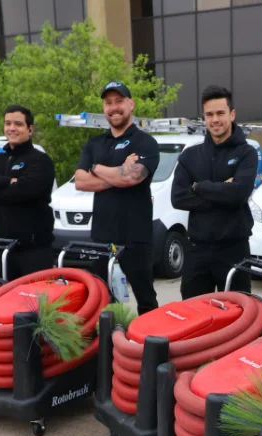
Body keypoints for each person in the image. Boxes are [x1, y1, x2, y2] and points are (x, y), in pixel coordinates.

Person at [74, 81, 162, 314]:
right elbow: (80, 181)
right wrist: (117, 172)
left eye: (119, 101)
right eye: (108, 102)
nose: (114, 107)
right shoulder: (95, 143)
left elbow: (131, 178)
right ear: (103, 108)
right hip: (102, 236)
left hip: (136, 237)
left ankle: (149, 347)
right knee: (102, 300)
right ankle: (110, 347)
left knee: (146, 299)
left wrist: (96, 168)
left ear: (130, 104)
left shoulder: (145, 142)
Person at [170, 85, 258, 298]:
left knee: (238, 319)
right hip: (197, 250)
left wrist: (200, 187)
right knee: (194, 319)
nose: (215, 119)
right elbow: (178, 197)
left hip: (234, 250)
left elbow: (239, 193)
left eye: (220, 113)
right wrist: (223, 193)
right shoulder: (190, 155)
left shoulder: (247, 153)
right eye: (209, 114)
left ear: (232, 114)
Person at [0, 105, 57, 279]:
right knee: (2, 303)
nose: (12, 128)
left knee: (35, 304)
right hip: (0, 248)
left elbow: (25, 191)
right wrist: (8, 181)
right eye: (8, 123)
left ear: (30, 129)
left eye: (18, 124)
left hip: (33, 250)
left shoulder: (40, 160)